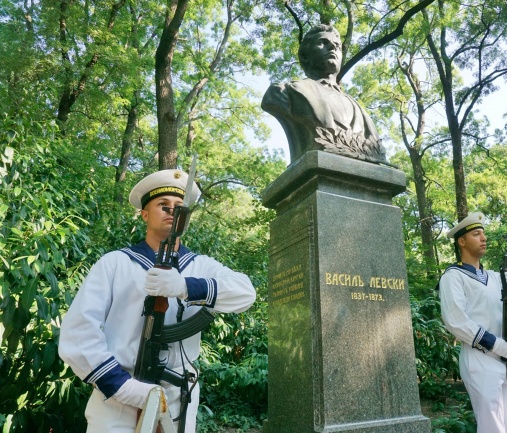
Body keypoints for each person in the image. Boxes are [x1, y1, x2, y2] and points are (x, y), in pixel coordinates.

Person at [58, 169, 257, 433]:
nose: (171, 212)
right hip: (119, 396)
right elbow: (77, 335)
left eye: (178, 207)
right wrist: (126, 388)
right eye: (163, 205)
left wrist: (186, 286)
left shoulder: (200, 266)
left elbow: (245, 293)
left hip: (178, 398)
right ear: (144, 214)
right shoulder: (115, 263)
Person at [438, 212, 507, 433]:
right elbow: (455, 321)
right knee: (493, 427)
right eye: (476, 234)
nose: (483, 238)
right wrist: (495, 344)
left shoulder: (494, 277)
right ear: (461, 241)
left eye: (483, 234)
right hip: (480, 358)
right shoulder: (453, 277)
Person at [261, 24, 389, 165]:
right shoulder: (284, 92)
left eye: (337, 46)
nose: (333, 47)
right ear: (304, 56)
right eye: (323, 42)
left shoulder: (358, 107)